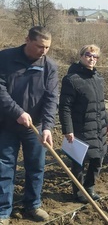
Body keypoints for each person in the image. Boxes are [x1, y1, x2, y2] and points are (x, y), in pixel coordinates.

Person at [0, 26, 58, 224]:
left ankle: (33, 205)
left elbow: (51, 99)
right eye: (40, 46)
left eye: (47, 47)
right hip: (7, 124)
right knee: (5, 167)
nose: (44, 51)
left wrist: (48, 126)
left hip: (36, 126)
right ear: (27, 40)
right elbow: (0, 90)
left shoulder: (49, 66)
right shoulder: (5, 58)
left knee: (36, 167)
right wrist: (18, 113)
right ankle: (3, 211)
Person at [59, 44, 108, 203]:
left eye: (95, 57)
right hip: (80, 126)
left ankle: (90, 187)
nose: (92, 59)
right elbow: (65, 107)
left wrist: (107, 121)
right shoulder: (72, 79)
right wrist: (68, 129)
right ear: (81, 56)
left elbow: (100, 103)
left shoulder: (98, 78)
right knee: (78, 161)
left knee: (98, 158)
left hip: (97, 126)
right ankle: (79, 192)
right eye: (89, 55)